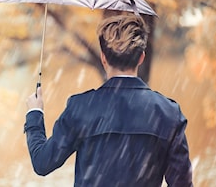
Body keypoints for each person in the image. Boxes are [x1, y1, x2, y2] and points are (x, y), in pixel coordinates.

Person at [24, 14, 193, 186]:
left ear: (103, 58)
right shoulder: (169, 113)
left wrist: (34, 114)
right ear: (142, 57)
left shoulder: (81, 107)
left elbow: (42, 163)